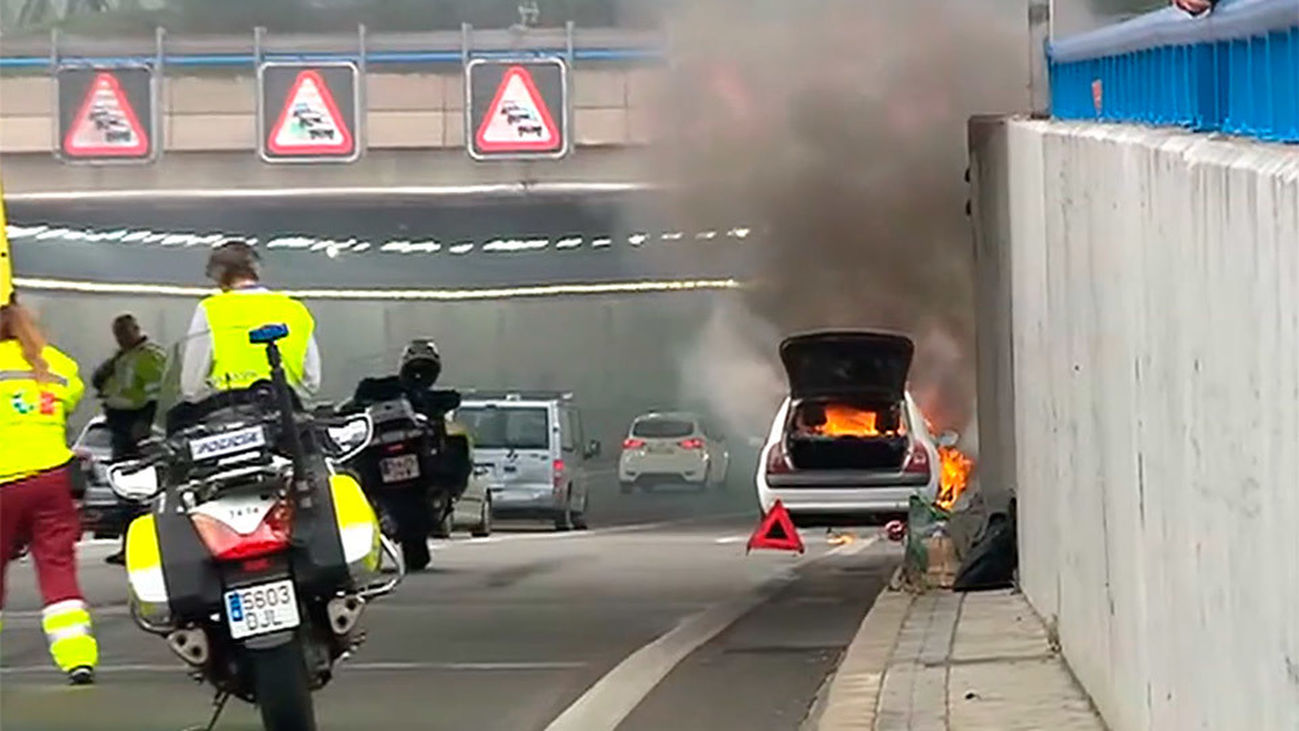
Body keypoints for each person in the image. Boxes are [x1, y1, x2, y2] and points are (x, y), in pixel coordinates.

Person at [0, 297, 99, 685]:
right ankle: (77, 656)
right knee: (57, 567)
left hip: (3, 482)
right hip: (50, 480)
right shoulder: (55, 363)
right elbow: (72, 396)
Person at [179, 240, 321, 406]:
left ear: (219, 276)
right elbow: (312, 382)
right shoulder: (295, 309)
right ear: (256, 271)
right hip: (286, 417)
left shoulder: (211, 309)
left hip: (231, 417)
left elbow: (191, 386)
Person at [92, 314, 167, 566]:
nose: (121, 336)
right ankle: (129, 547)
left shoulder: (149, 356)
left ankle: (142, 548)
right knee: (125, 491)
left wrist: (144, 424)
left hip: (136, 427)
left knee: (136, 491)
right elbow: (100, 381)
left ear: (136, 328)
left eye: (125, 331)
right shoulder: (123, 358)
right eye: (117, 332)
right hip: (121, 426)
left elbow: (157, 395)